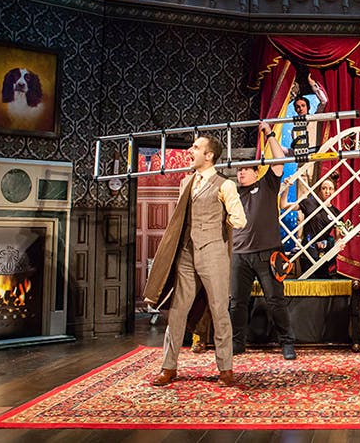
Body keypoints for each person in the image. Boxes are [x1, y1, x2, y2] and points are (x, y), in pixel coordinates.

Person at [145, 136, 246, 387]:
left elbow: (239, 220)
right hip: (187, 254)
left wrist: (219, 224)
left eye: (196, 148)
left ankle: (225, 368)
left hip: (213, 253)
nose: (190, 150)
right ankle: (168, 366)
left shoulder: (225, 185)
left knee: (219, 310)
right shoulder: (186, 182)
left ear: (209, 156)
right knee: (177, 311)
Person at [228, 121, 296, 359]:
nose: (241, 173)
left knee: (275, 300)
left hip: (268, 254)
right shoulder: (232, 193)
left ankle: (287, 343)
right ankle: (237, 344)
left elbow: (280, 160)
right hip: (239, 255)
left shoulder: (267, 184)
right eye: (239, 170)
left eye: (246, 169)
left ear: (256, 172)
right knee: (237, 303)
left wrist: (269, 134)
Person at [281, 175, 341, 279]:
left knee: (324, 282)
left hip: (325, 253)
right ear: (319, 190)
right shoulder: (309, 203)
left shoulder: (336, 213)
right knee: (308, 281)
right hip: (307, 250)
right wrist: (286, 188)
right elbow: (284, 205)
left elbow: (338, 237)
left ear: (334, 190)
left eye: (330, 188)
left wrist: (337, 244)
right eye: (324, 188)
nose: (327, 191)